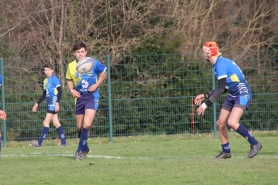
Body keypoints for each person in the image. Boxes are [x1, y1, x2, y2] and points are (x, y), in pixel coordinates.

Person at [194, 41, 262, 159]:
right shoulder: (218, 64)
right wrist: (205, 95)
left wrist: (205, 105)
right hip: (232, 95)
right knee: (220, 123)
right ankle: (226, 152)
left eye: (204, 52)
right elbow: (225, 88)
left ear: (209, 54)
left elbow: (220, 89)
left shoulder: (220, 64)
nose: (203, 54)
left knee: (232, 122)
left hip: (242, 94)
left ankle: (255, 143)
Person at [66, 41, 107, 161]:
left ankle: (79, 151)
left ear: (86, 52)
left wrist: (97, 84)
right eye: (78, 52)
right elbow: (69, 79)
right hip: (79, 98)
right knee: (80, 128)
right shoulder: (71, 66)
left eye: (82, 51)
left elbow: (104, 72)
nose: (80, 54)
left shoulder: (93, 63)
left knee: (87, 124)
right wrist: (71, 90)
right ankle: (85, 148)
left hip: (91, 97)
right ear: (74, 53)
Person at [29, 64, 67, 147]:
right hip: (49, 103)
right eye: (45, 70)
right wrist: (37, 103)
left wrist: (57, 103)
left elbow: (60, 91)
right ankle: (63, 142)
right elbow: (44, 94)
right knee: (56, 123)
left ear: (52, 70)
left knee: (46, 122)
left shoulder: (55, 79)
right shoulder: (46, 80)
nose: (47, 72)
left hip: (53, 103)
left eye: (48, 70)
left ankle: (39, 143)